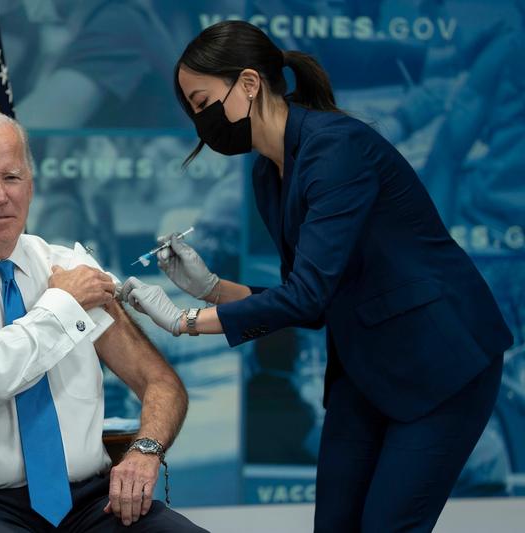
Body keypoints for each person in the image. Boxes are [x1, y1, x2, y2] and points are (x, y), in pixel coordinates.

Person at [119, 20, 513, 532]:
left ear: (249, 83)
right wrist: (210, 287)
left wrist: (184, 320)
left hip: (441, 359)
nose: (201, 123)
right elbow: (310, 301)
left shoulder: (336, 149)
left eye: (203, 103)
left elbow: (305, 297)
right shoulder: (268, 172)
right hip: (367, 366)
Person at [0, 110, 206, 533]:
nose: (0, 195)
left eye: (12, 177)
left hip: (88, 501)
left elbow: (159, 381)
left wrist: (145, 451)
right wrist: (64, 302)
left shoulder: (69, 266)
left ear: (31, 185)